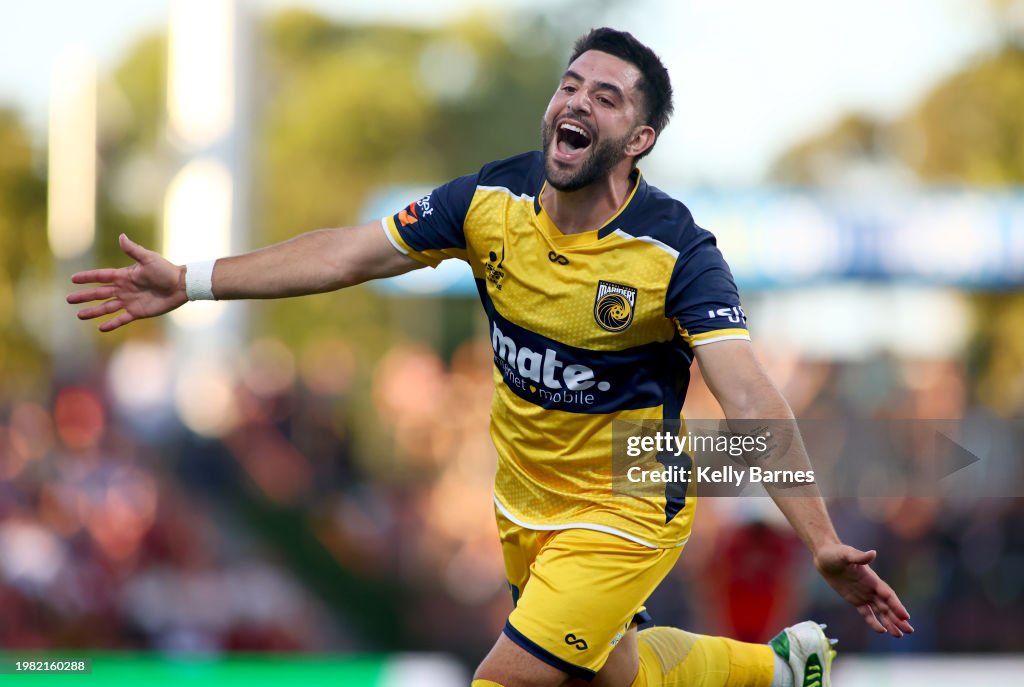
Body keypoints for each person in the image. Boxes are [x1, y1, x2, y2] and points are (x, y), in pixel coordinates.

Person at [69, 27, 912, 687]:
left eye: (607, 97)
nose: (576, 102)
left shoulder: (676, 254)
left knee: (505, 679)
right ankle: (778, 668)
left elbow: (750, 398)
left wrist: (822, 539)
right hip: (521, 497)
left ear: (640, 137)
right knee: (613, 670)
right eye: (570, 84)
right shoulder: (486, 202)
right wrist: (192, 279)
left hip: (629, 495)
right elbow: (348, 255)